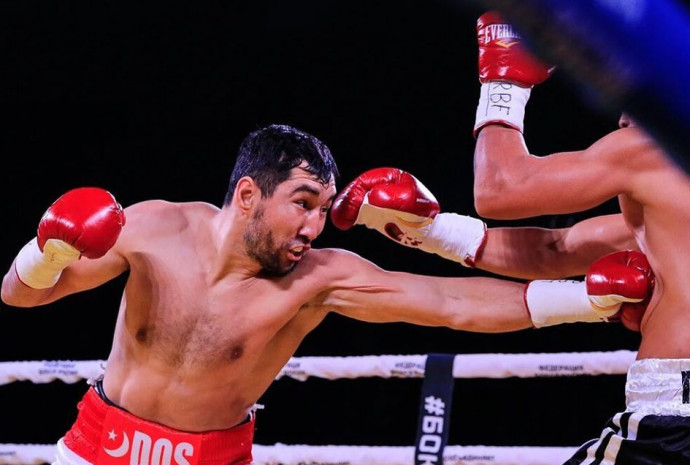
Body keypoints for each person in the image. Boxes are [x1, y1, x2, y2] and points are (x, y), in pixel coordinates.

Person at [0, 124, 653, 465]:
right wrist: (46, 250)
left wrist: (585, 299)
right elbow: (20, 295)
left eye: (323, 210)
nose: (313, 228)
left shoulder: (316, 279)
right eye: (302, 205)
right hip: (93, 450)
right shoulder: (152, 228)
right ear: (249, 193)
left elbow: (452, 304)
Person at [341, 12, 690, 464]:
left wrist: (503, 85)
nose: (622, 115)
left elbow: (498, 189)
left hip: (676, 422)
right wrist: (430, 232)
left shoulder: (655, 149)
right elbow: (555, 250)